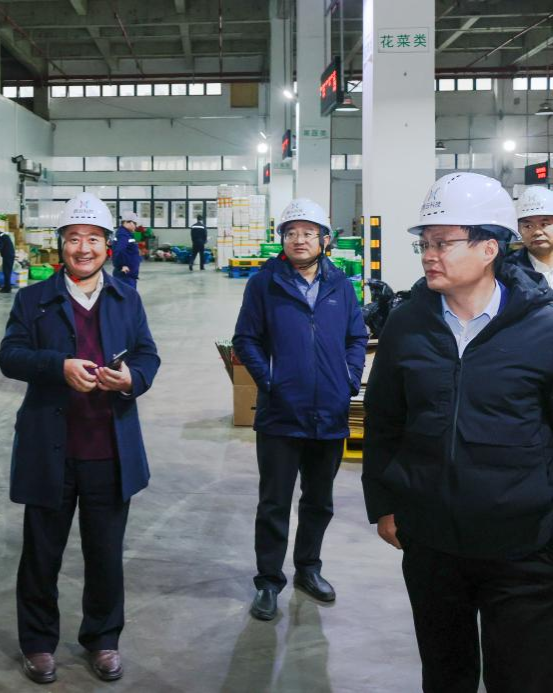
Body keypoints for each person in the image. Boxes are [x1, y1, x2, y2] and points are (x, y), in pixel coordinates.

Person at [363, 171, 553, 693]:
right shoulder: (407, 324)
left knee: (524, 678)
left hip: (522, 546)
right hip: (431, 542)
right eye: (424, 243)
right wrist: (384, 503)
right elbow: (384, 420)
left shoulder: (542, 327)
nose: (428, 255)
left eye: (443, 242)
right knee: (445, 675)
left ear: (489, 248)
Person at [0, 192, 160, 685]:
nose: (83, 248)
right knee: (41, 554)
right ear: (60, 245)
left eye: (93, 239)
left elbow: (148, 355)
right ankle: (38, 644)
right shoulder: (33, 300)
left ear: (108, 246)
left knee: (105, 554)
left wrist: (131, 379)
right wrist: (58, 367)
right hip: (50, 447)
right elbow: (10, 356)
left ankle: (103, 639)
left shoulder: (126, 298)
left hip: (108, 448)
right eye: (73, 238)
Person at [233, 198, 368, 622]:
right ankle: (268, 581)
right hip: (280, 413)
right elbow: (245, 339)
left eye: (309, 232)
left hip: (330, 410)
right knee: (274, 502)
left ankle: (308, 569)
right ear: (282, 240)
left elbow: (356, 336)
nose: (299, 239)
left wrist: (349, 377)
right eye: (291, 232)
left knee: (319, 501)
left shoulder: (340, 285)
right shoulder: (264, 284)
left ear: (325, 240)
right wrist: (270, 380)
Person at [506, 185, 553, 285]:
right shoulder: (508, 272)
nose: (537, 232)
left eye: (544, 224)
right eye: (528, 226)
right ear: (518, 229)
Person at [111, 211, 142, 289]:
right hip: (125, 274)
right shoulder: (123, 235)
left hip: (129, 274)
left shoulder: (126, 234)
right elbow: (119, 250)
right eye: (135, 223)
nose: (135, 226)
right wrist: (122, 265)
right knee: (127, 294)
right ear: (128, 222)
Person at [0, 227, 16, 293]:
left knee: (6, 272)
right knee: (7, 272)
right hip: (10, 255)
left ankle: (7, 288)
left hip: (7, 256)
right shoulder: (3, 234)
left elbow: (0, 246)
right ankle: (7, 287)